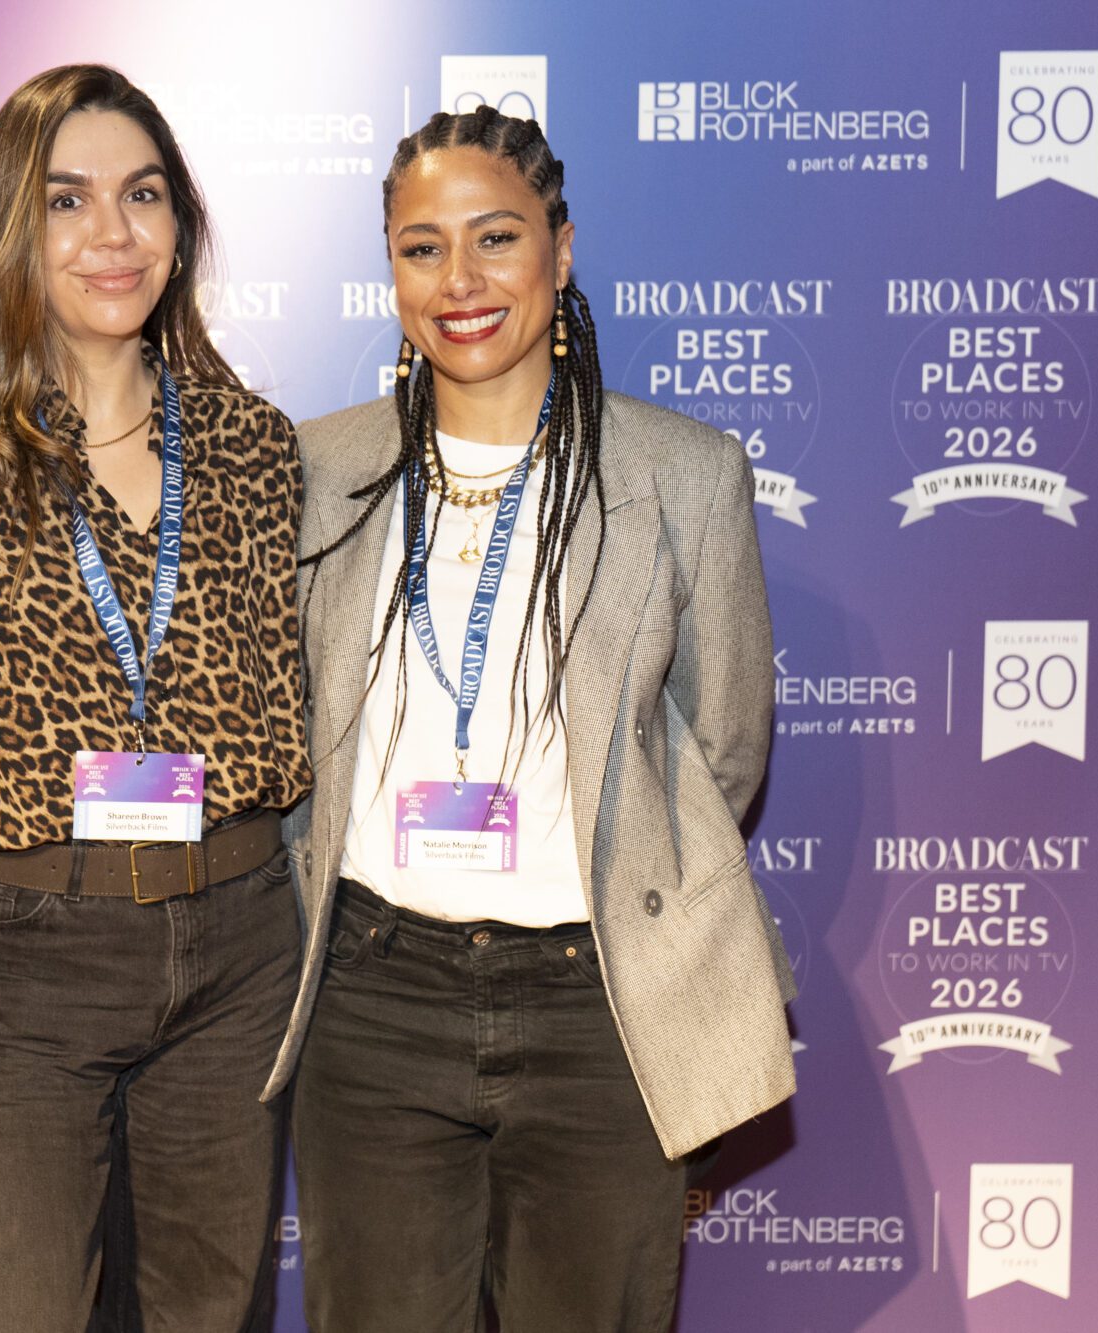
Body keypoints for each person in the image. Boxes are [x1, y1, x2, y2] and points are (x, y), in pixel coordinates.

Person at [266, 106, 796, 1331]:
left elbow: (719, 745)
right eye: (421, 248)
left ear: (559, 249)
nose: (458, 279)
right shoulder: (312, 470)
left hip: (599, 1000)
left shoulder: (682, 473)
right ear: (390, 271)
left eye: (494, 237)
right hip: (370, 996)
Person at [0, 64, 309, 1333]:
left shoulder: (253, 447)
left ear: (180, 225)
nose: (113, 234)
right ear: (11, 223)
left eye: (142, 195)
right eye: (67, 200)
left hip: (236, 950)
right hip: (16, 970)